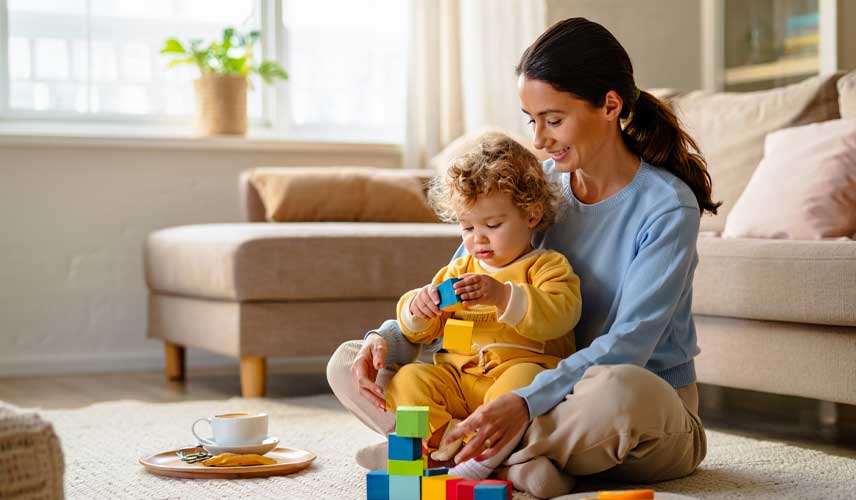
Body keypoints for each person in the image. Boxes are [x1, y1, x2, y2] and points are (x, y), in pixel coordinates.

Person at [327, 17, 719, 498]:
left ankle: (443, 452)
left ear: (610, 105)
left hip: (632, 404)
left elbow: (629, 346)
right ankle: (519, 462)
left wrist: (524, 401)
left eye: (553, 120)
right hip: (521, 388)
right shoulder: (537, 186)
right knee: (349, 363)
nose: (538, 140)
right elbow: (466, 272)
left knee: (616, 392)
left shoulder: (665, 206)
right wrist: (387, 338)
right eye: (532, 121)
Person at [386, 132, 581, 479]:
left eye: (492, 225)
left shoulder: (547, 266)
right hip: (458, 381)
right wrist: (418, 310)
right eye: (467, 227)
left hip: (513, 379)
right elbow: (421, 330)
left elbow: (561, 314)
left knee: (526, 378)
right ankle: (444, 445)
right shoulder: (458, 269)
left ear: (532, 215)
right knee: (408, 378)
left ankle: (482, 455)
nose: (478, 238)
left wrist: (503, 296)